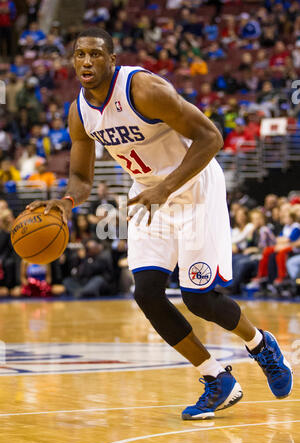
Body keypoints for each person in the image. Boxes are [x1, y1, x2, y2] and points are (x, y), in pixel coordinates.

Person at [27, 27, 293, 420]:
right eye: (80, 55)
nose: (86, 61)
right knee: (147, 293)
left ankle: (260, 344)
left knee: (198, 298)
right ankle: (215, 377)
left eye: (96, 54)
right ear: (72, 62)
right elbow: (82, 178)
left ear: (111, 60)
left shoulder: (143, 89)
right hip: (150, 192)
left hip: (194, 185)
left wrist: (166, 187)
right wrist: (67, 202)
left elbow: (211, 137)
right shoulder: (79, 113)